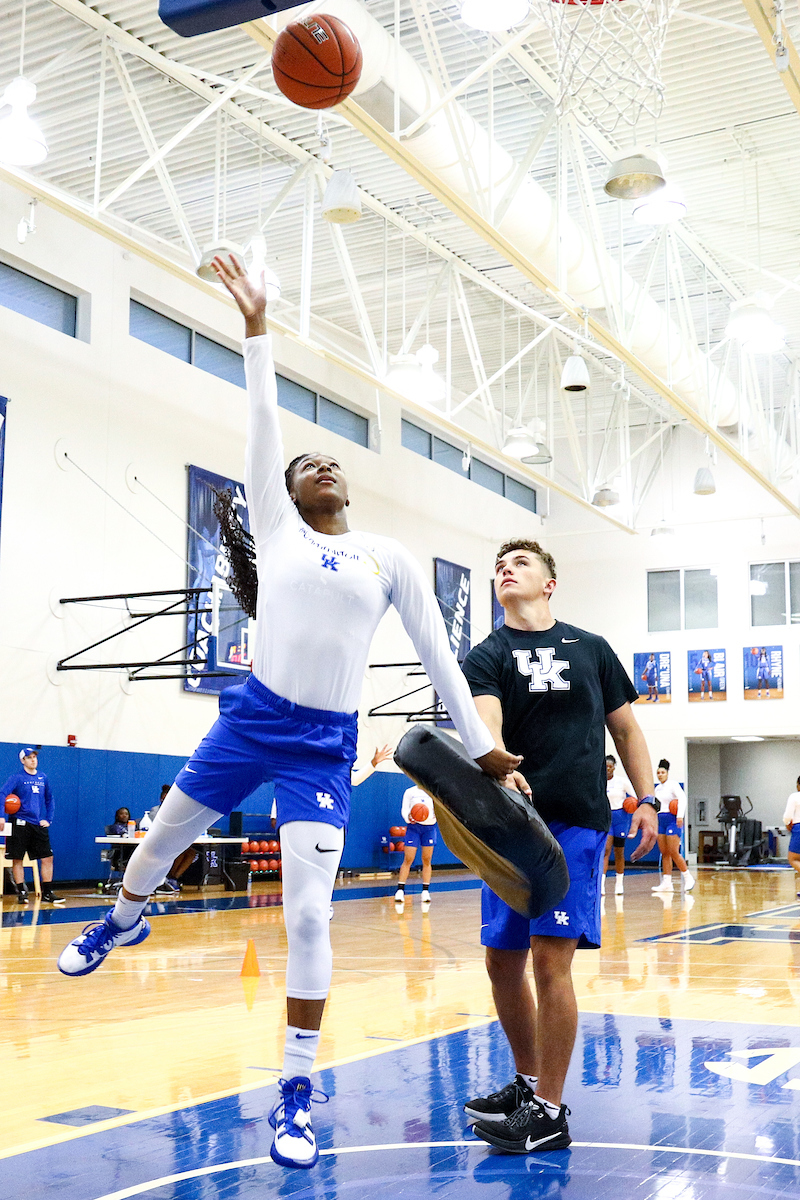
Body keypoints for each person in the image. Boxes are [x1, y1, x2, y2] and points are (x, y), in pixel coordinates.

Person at [57, 256, 516, 1171]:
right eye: (306, 464)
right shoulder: (276, 527)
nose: (320, 464)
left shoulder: (389, 556)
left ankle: (295, 1094)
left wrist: (483, 748)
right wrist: (258, 328)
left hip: (322, 748)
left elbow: (440, 655)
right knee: (158, 844)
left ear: (347, 488)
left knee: (308, 919)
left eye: (330, 460)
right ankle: (123, 918)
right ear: (291, 490)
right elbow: (262, 423)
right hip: (250, 719)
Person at [459, 539, 658, 1154]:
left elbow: (626, 729)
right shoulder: (487, 654)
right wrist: (496, 763)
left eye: (520, 563)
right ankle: (528, 1084)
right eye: (499, 565)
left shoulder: (591, 649)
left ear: (549, 583)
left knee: (550, 961)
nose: (506, 569)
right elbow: (486, 720)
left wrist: (647, 798)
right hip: (509, 824)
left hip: (573, 822)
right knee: (502, 961)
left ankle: (548, 1112)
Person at [1, 748, 64, 904]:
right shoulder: (17, 778)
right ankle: (22, 892)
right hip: (19, 823)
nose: (33, 760)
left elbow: (49, 799)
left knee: (47, 857)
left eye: (34, 756)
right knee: (17, 858)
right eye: (29, 757)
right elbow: (2, 794)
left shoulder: (43, 777)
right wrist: (1, 816)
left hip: (37, 824)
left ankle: (47, 893)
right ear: (23, 760)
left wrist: (48, 819)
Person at [651, 759, 694, 893]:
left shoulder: (673, 785)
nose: (660, 775)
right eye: (658, 773)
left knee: (674, 851)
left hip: (672, 820)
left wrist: (680, 815)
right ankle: (667, 883)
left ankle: (688, 878)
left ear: (667, 773)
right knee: (664, 852)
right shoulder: (657, 788)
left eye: (662, 772)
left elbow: (683, 798)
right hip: (660, 820)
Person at [393, 783, 437, 908]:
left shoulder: (433, 791)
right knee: (408, 858)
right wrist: (409, 817)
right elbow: (404, 810)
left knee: (427, 859)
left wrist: (431, 817)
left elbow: (440, 811)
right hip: (414, 828)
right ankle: (400, 890)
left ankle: (425, 891)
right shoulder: (410, 792)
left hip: (429, 828)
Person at [602, 754, 634, 897]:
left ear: (614, 767)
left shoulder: (622, 782)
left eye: (610, 766)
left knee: (619, 852)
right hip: (607, 816)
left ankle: (619, 883)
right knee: (606, 850)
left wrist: (631, 805)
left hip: (621, 818)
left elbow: (634, 797)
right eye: (606, 766)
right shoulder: (600, 781)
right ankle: (602, 884)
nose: (608, 769)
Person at [783, 776, 800, 898]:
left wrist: (787, 823)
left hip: (799, 828)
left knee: (793, 859)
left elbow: (788, 816)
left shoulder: (795, 796)